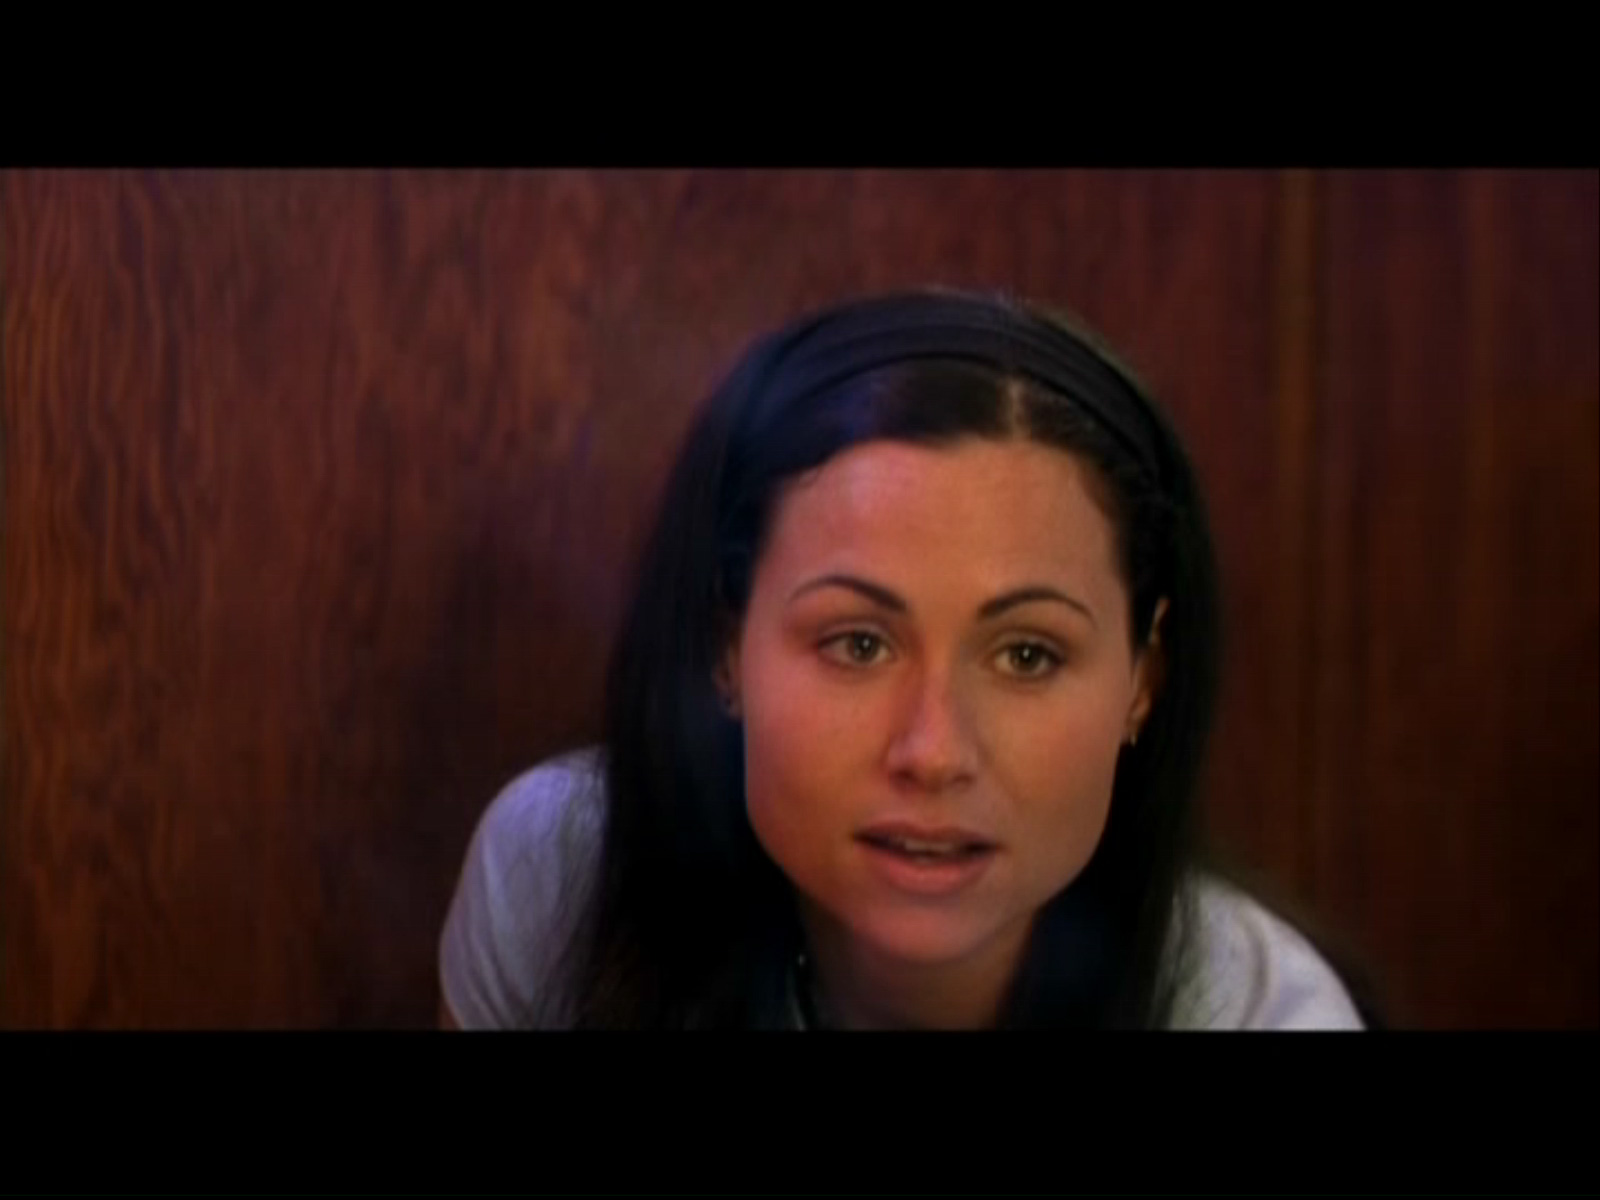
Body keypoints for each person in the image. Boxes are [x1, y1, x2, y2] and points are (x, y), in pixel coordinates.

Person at [439, 288, 1368, 1029]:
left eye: (1028, 655)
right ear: (726, 645)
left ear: (1143, 682)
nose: (933, 752)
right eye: (859, 643)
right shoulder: (564, 885)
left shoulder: (1258, 1015)